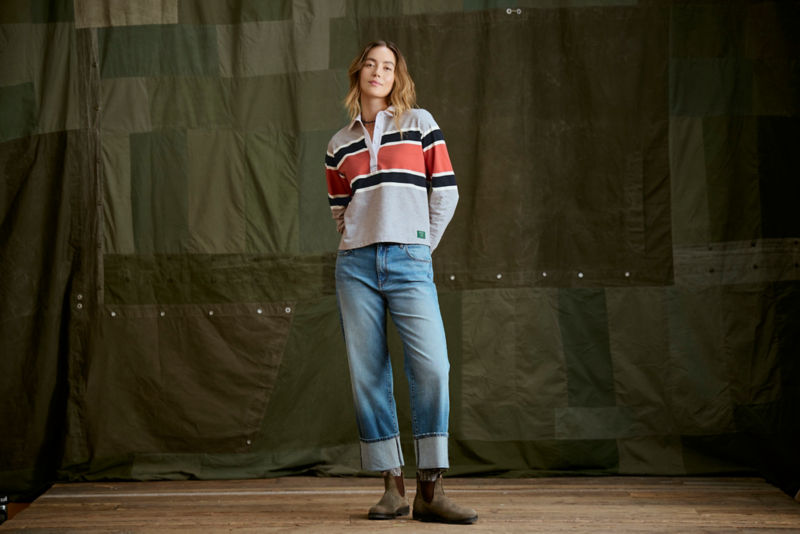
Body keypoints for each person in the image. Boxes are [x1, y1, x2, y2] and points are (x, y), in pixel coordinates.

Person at [324, 40, 477, 525]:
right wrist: (358, 241)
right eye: (371, 63)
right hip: (355, 267)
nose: (378, 71)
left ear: (397, 78)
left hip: (410, 259)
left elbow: (446, 192)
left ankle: (430, 489)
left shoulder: (420, 124)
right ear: (358, 72)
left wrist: (419, 246)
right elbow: (339, 211)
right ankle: (392, 487)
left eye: (388, 66)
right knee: (368, 373)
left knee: (433, 367)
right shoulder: (337, 144)